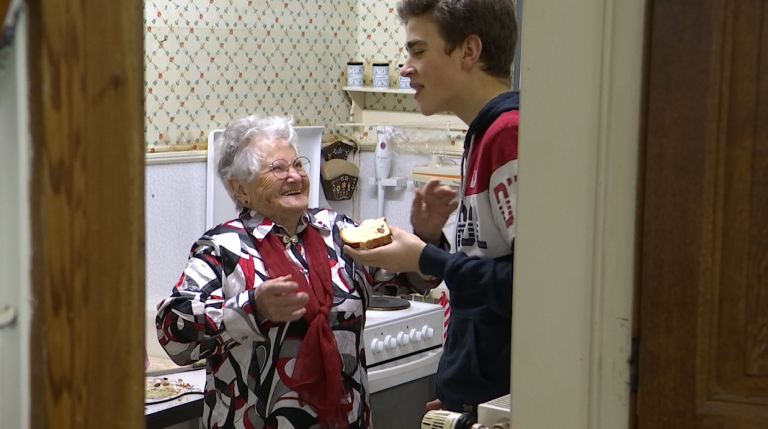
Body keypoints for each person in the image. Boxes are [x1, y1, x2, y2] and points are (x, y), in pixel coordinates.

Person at [344, 0, 519, 417]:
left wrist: (425, 256)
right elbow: (486, 273)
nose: (406, 67)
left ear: (469, 52)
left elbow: (528, 288)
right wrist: (432, 239)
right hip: (479, 398)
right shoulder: (480, 134)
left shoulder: (506, 135)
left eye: (418, 51)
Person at [156, 115, 377, 429]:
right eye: (278, 168)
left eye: (298, 165)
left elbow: (398, 277)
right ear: (240, 189)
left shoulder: (336, 229)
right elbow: (173, 334)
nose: (294, 176)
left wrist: (428, 235)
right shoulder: (223, 248)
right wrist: (252, 308)